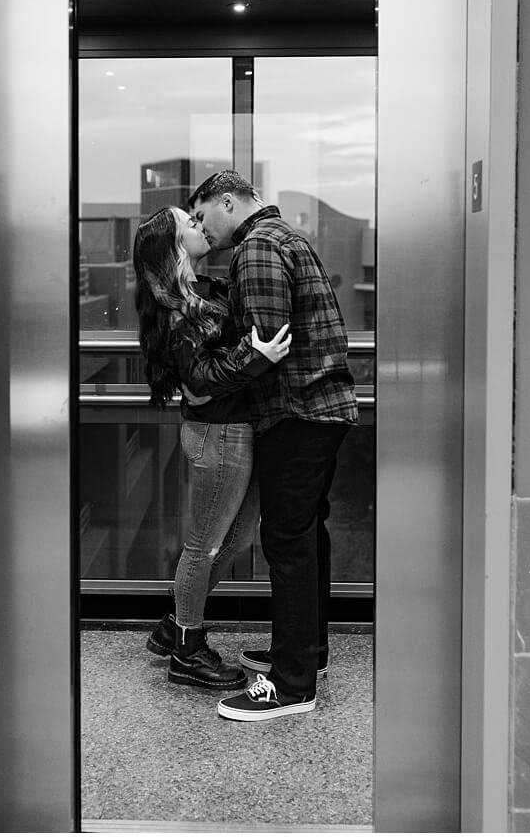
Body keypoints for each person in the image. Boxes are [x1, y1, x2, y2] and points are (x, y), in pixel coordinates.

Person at [186, 170, 359, 722]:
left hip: (295, 411)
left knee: (286, 542)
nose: (202, 229)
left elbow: (266, 341)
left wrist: (215, 361)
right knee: (307, 536)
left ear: (228, 201)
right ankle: (307, 654)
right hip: (320, 411)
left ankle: (290, 686)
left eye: (203, 215)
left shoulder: (257, 248)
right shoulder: (286, 237)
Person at [132, 206, 292, 690]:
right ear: (173, 248)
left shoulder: (197, 295)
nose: (201, 228)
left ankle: (174, 620)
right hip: (217, 434)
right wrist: (255, 357)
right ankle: (187, 647)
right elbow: (200, 385)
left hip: (231, 431)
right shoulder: (177, 307)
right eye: (191, 225)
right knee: (205, 544)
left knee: (238, 539)